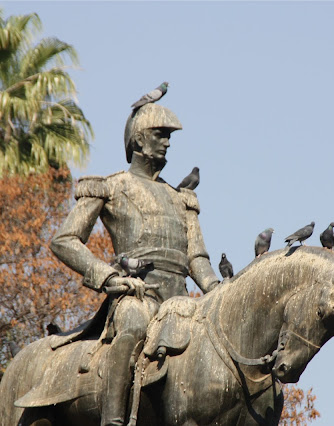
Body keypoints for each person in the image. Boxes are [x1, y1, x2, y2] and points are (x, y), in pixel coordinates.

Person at [49, 103, 219, 426]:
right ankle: (112, 419)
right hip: (136, 294)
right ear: (139, 139)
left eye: (169, 137)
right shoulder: (111, 186)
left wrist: (216, 288)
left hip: (180, 302)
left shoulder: (181, 199)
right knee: (133, 328)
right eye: (160, 134)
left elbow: (197, 258)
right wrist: (107, 276)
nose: (167, 142)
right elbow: (64, 240)